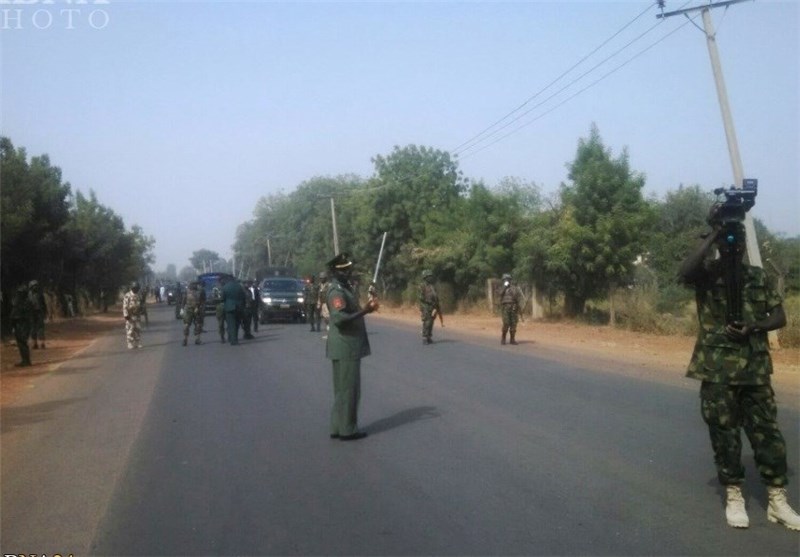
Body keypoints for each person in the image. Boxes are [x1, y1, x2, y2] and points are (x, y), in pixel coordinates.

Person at [678, 220, 800, 531]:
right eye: (729, 239)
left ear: (745, 245)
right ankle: (734, 494)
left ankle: (777, 499)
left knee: (769, 436)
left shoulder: (758, 277)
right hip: (718, 370)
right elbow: (685, 271)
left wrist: (755, 326)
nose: (734, 244)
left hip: (755, 370)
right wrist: (714, 237)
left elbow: (779, 316)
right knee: (725, 435)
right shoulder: (707, 276)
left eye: (738, 239)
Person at [325, 253, 379, 441]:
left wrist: (366, 305)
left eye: (349, 269)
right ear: (335, 272)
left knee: (342, 390)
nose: (348, 273)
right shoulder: (336, 291)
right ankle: (348, 430)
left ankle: (337, 426)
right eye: (344, 270)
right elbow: (340, 319)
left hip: (344, 345)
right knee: (349, 389)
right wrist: (366, 310)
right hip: (345, 345)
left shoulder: (344, 288)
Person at [10, 283, 33, 367]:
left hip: (20, 325)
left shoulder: (19, 303)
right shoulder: (27, 302)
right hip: (26, 324)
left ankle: (25, 361)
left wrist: (12, 325)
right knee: (23, 343)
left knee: (21, 343)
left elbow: (14, 315)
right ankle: (26, 360)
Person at [497, 273, 524, 345]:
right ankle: (503, 338)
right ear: (503, 280)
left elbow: (518, 298)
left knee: (513, 324)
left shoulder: (515, 288)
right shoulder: (501, 288)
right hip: (505, 308)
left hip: (513, 308)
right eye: (505, 279)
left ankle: (512, 339)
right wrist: (505, 287)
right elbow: (500, 293)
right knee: (506, 323)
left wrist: (519, 307)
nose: (507, 280)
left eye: (508, 279)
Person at [221, 276, 246, 345]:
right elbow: (243, 297)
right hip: (239, 307)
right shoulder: (239, 286)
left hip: (229, 308)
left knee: (231, 324)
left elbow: (222, 298)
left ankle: (232, 339)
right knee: (237, 324)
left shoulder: (225, 287)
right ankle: (235, 338)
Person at [418, 269, 440, 345]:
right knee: (426, 322)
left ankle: (429, 337)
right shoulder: (422, 286)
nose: (430, 277)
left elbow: (436, 296)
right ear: (425, 277)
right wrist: (429, 303)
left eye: (431, 276)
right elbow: (421, 297)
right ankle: (425, 337)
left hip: (432, 307)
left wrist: (436, 305)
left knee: (431, 322)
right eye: (429, 276)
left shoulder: (432, 286)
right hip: (425, 307)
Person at [181, 280, 206, 346]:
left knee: (186, 325)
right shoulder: (200, 292)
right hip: (197, 310)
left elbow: (183, 301)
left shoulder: (186, 292)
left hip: (188, 309)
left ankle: (185, 340)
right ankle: (197, 339)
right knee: (198, 324)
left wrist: (182, 309)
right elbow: (203, 301)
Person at [122, 281, 144, 349]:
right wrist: (126, 315)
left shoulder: (138, 295)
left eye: (137, 288)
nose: (136, 289)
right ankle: (130, 343)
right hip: (130, 315)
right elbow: (125, 306)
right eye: (135, 288)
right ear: (132, 288)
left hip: (137, 315)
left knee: (137, 329)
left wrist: (142, 310)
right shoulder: (127, 295)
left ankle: (137, 342)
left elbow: (141, 304)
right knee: (130, 329)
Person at [28, 279, 47, 349]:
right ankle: (34, 343)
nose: (35, 287)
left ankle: (42, 343)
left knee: (41, 328)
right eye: (33, 286)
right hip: (31, 313)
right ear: (30, 287)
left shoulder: (40, 294)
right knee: (33, 328)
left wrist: (45, 312)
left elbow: (44, 304)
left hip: (39, 312)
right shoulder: (28, 295)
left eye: (36, 286)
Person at [317, 271, 330, 335]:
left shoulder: (329, 285)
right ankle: (328, 327)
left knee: (328, 316)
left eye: (322, 278)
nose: (321, 279)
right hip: (322, 303)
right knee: (324, 316)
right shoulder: (319, 285)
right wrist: (318, 303)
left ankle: (329, 328)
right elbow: (319, 295)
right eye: (320, 278)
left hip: (328, 303)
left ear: (325, 278)